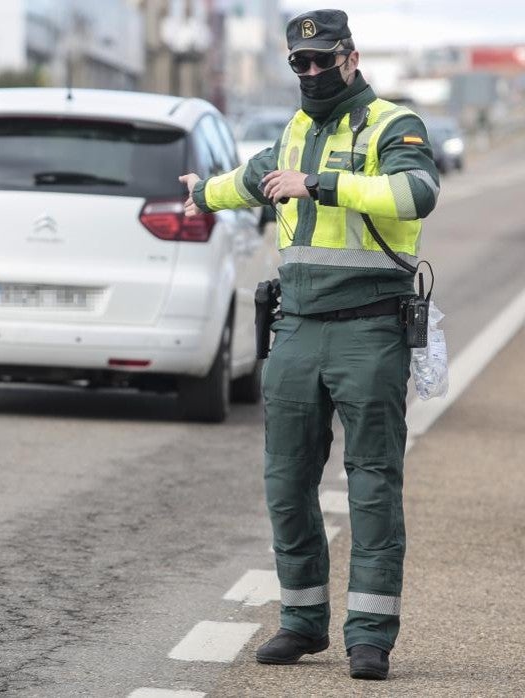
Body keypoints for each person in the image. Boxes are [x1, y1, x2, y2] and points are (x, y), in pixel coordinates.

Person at [178, 9, 440, 681]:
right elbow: (246, 182)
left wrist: (320, 185)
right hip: (296, 329)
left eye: (325, 60)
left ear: (352, 58)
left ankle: (371, 636)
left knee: (373, 485)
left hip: (369, 331)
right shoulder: (292, 133)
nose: (314, 72)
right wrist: (202, 194)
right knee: (286, 483)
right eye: (302, 62)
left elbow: (417, 192)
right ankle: (301, 621)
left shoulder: (393, 123)